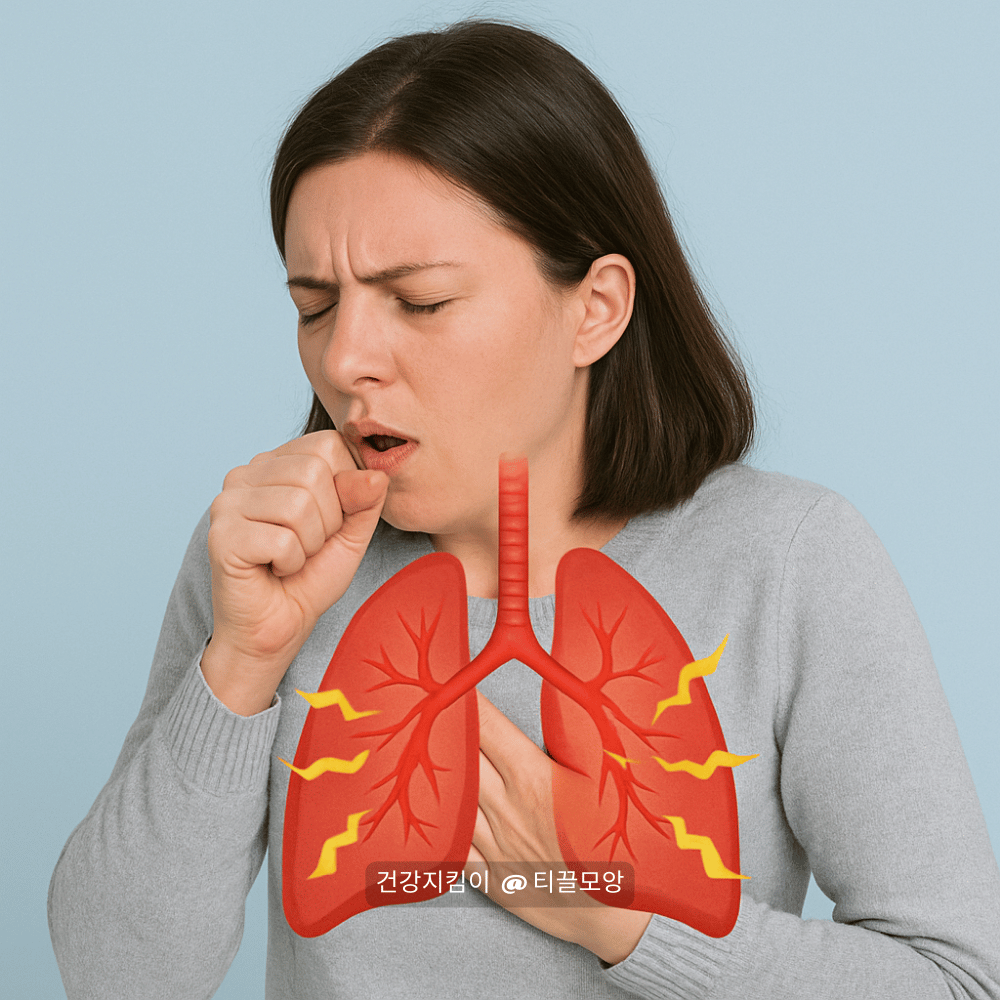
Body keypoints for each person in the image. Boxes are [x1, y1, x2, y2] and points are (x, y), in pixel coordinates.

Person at [48, 19, 1000, 1000]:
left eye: (419, 301)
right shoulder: (268, 562)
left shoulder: (789, 563)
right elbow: (115, 980)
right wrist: (241, 664)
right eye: (314, 305)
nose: (344, 358)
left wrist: (616, 909)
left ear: (595, 309)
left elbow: (956, 981)